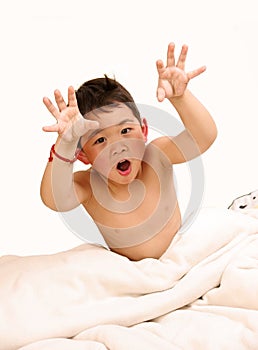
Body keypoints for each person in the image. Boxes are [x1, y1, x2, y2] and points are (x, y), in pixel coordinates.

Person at [40, 42, 217, 261]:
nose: (118, 147)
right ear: (83, 155)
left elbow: (204, 137)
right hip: (136, 273)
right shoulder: (89, 186)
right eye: (101, 140)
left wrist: (181, 98)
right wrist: (65, 143)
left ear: (143, 130)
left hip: (180, 255)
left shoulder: (156, 156)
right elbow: (54, 199)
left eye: (125, 130)